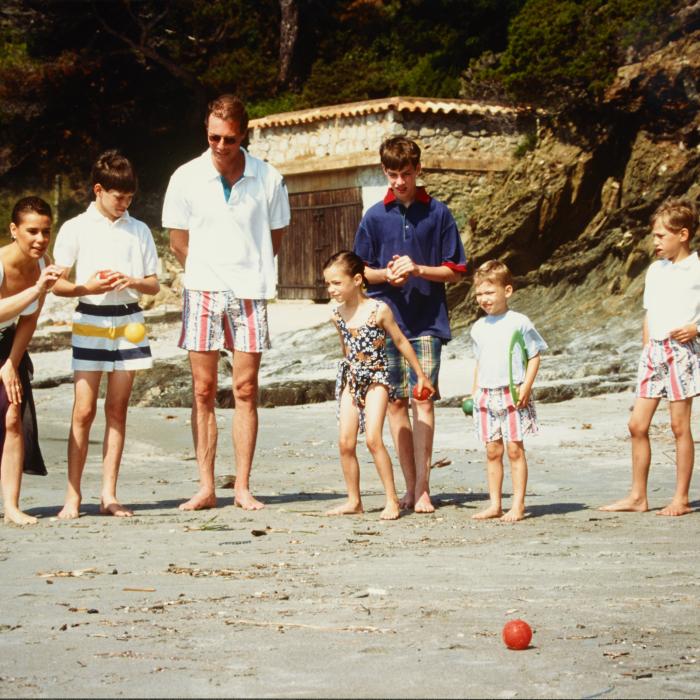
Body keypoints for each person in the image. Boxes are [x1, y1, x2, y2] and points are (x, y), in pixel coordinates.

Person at [162, 94, 290, 512]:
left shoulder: (269, 178)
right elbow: (178, 240)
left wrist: (245, 271)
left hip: (251, 290)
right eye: (214, 137)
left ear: (244, 136)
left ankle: (242, 487)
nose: (220, 146)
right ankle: (205, 486)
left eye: (230, 140)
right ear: (206, 130)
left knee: (246, 390)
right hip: (201, 290)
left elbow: (274, 239)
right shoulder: (185, 176)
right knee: (201, 391)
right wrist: (206, 270)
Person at [353, 136, 467, 513]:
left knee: (424, 400)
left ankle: (422, 489)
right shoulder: (373, 216)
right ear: (384, 172)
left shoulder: (439, 213)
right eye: (392, 174)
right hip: (386, 322)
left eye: (406, 174)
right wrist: (386, 274)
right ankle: (407, 487)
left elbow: (457, 271)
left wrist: (418, 269)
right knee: (397, 403)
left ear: (418, 170)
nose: (399, 182)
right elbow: (360, 273)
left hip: (428, 322)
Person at [52, 150, 160, 519]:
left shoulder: (139, 229)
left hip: (130, 321)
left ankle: (109, 495)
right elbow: (57, 285)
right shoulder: (75, 228)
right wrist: (87, 286)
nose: (124, 204)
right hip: (90, 319)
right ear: (98, 190)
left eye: (129, 197)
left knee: (117, 410)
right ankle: (72, 495)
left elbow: (154, 285)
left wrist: (131, 280)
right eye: (118, 197)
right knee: (83, 411)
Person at [601, 197, 700, 517]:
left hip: (681, 352)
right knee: (637, 424)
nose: (654, 241)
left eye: (661, 235)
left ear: (682, 235)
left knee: (679, 426)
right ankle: (638, 496)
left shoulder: (697, 268)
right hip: (653, 352)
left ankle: (681, 498)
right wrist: (646, 351)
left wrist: (696, 329)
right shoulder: (655, 271)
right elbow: (649, 313)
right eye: (654, 235)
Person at [323, 251, 436, 520]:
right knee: (345, 443)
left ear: (357, 280)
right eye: (328, 284)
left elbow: (401, 342)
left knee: (373, 438)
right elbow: (345, 350)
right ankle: (354, 500)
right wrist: (349, 380)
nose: (331, 289)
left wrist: (420, 375)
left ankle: (392, 500)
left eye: (336, 283)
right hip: (352, 380)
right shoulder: (336, 315)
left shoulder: (378, 310)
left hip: (377, 379)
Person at [470, 260, 547, 522]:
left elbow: (534, 355)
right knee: (492, 450)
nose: (484, 299)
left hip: (512, 392)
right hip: (486, 394)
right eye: (479, 293)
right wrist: (474, 392)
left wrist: (526, 385)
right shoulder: (478, 327)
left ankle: (518, 504)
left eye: (490, 292)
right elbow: (479, 362)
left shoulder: (519, 322)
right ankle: (494, 504)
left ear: (508, 291)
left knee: (515, 449)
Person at [0, 198, 62, 525]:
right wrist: (38, 287)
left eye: (46, 231)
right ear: (14, 230)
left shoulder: (43, 263)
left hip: (9, 345)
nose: (40, 239)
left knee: (13, 417)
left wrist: (11, 361)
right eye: (32, 231)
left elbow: (28, 320)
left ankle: (11, 506)